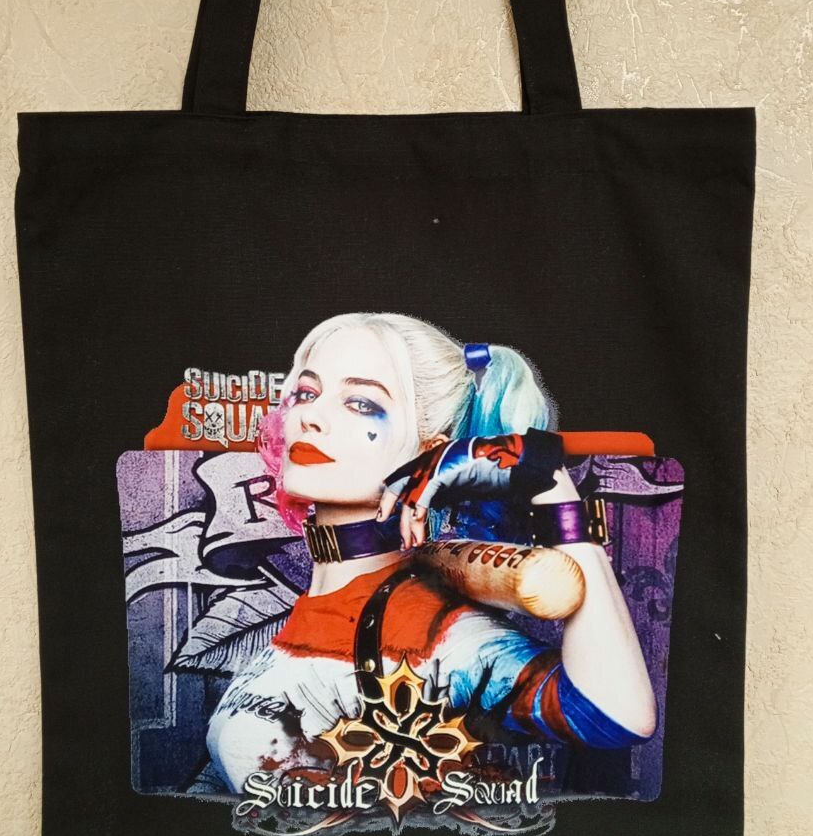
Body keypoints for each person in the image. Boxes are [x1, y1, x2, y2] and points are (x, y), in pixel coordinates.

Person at [206, 311, 657, 798]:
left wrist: (547, 479)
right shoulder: (315, 607)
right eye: (307, 393)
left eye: (360, 403)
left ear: (432, 452)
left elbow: (616, 716)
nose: (308, 417)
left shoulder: (429, 630)